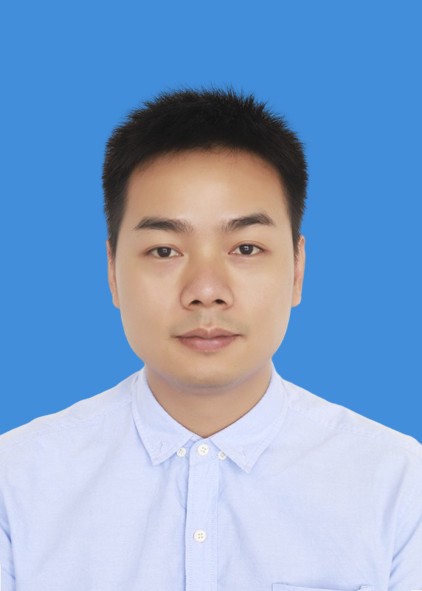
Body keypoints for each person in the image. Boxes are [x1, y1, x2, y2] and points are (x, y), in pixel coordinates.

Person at [0, 88, 421, 591]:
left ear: (297, 269)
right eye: (164, 251)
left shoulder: (396, 483)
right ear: (112, 271)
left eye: (245, 248)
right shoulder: (17, 482)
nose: (205, 290)